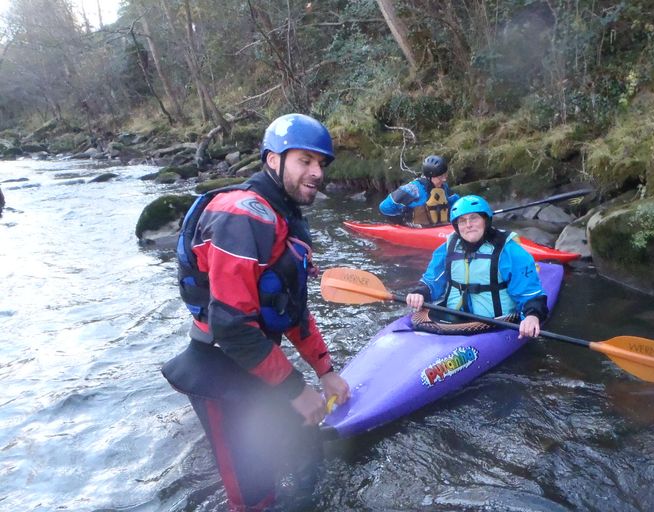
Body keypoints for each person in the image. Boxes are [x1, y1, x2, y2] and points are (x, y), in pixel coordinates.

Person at [162, 113, 350, 511]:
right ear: (272, 160)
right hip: (221, 371)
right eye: (304, 160)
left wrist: (326, 371)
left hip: (262, 362)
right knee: (253, 496)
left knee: (304, 449)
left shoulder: (286, 219)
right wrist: (297, 390)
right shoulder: (242, 215)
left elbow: (292, 310)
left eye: (321, 163)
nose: (317, 172)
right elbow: (230, 326)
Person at [405, 195, 548, 338]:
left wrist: (532, 315)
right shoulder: (448, 248)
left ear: (485, 220)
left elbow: (529, 293)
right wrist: (420, 293)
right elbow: (432, 281)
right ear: (456, 226)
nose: (468, 225)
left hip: (496, 323)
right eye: (462, 221)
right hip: (453, 319)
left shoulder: (509, 251)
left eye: (474, 218)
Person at [378, 154, 459, 226]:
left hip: (439, 227)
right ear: (429, 177)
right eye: (440, 177)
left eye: (445, 175)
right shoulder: (412, 190)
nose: (444, 179)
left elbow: (457, 203)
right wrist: (403, 217)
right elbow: (384, 207)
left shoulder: (444, 187)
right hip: (414, 229)